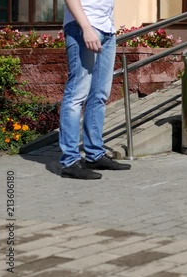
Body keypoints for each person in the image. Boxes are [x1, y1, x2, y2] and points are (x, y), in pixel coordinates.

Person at [59, 0, 130, 180]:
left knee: (99, 95)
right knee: (76, 95)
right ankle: (70, 161)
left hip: (107, 29)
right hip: (83, 27)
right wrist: (86, 27)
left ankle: (94, 154)